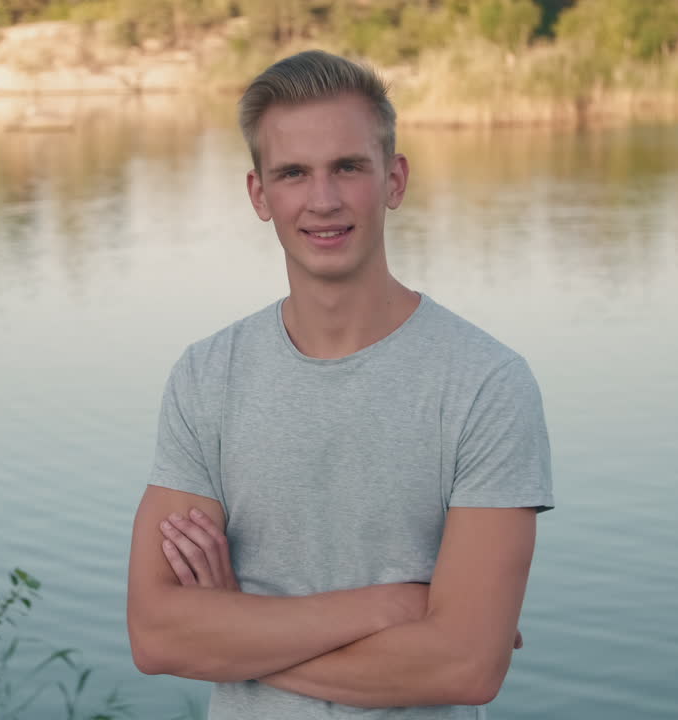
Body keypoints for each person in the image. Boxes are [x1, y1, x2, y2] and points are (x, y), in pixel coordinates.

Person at [125, 50, 553, 719]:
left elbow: (466, 666)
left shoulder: (484, 384)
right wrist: (394, 606)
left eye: (348, 167)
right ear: (260, 196)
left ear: (394, 179)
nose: (322, 200)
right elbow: (156, 636)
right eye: (293, 173)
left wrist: (237, 627)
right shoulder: (208, 378)